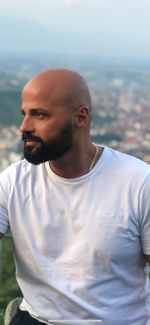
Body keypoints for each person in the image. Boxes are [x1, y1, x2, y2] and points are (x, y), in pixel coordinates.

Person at [0, 68, 150, 325]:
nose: (24, 127)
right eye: (24, 114)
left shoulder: (138, 183)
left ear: (80, 117)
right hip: (37, 319)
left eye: (39, 115)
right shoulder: (14, 182)